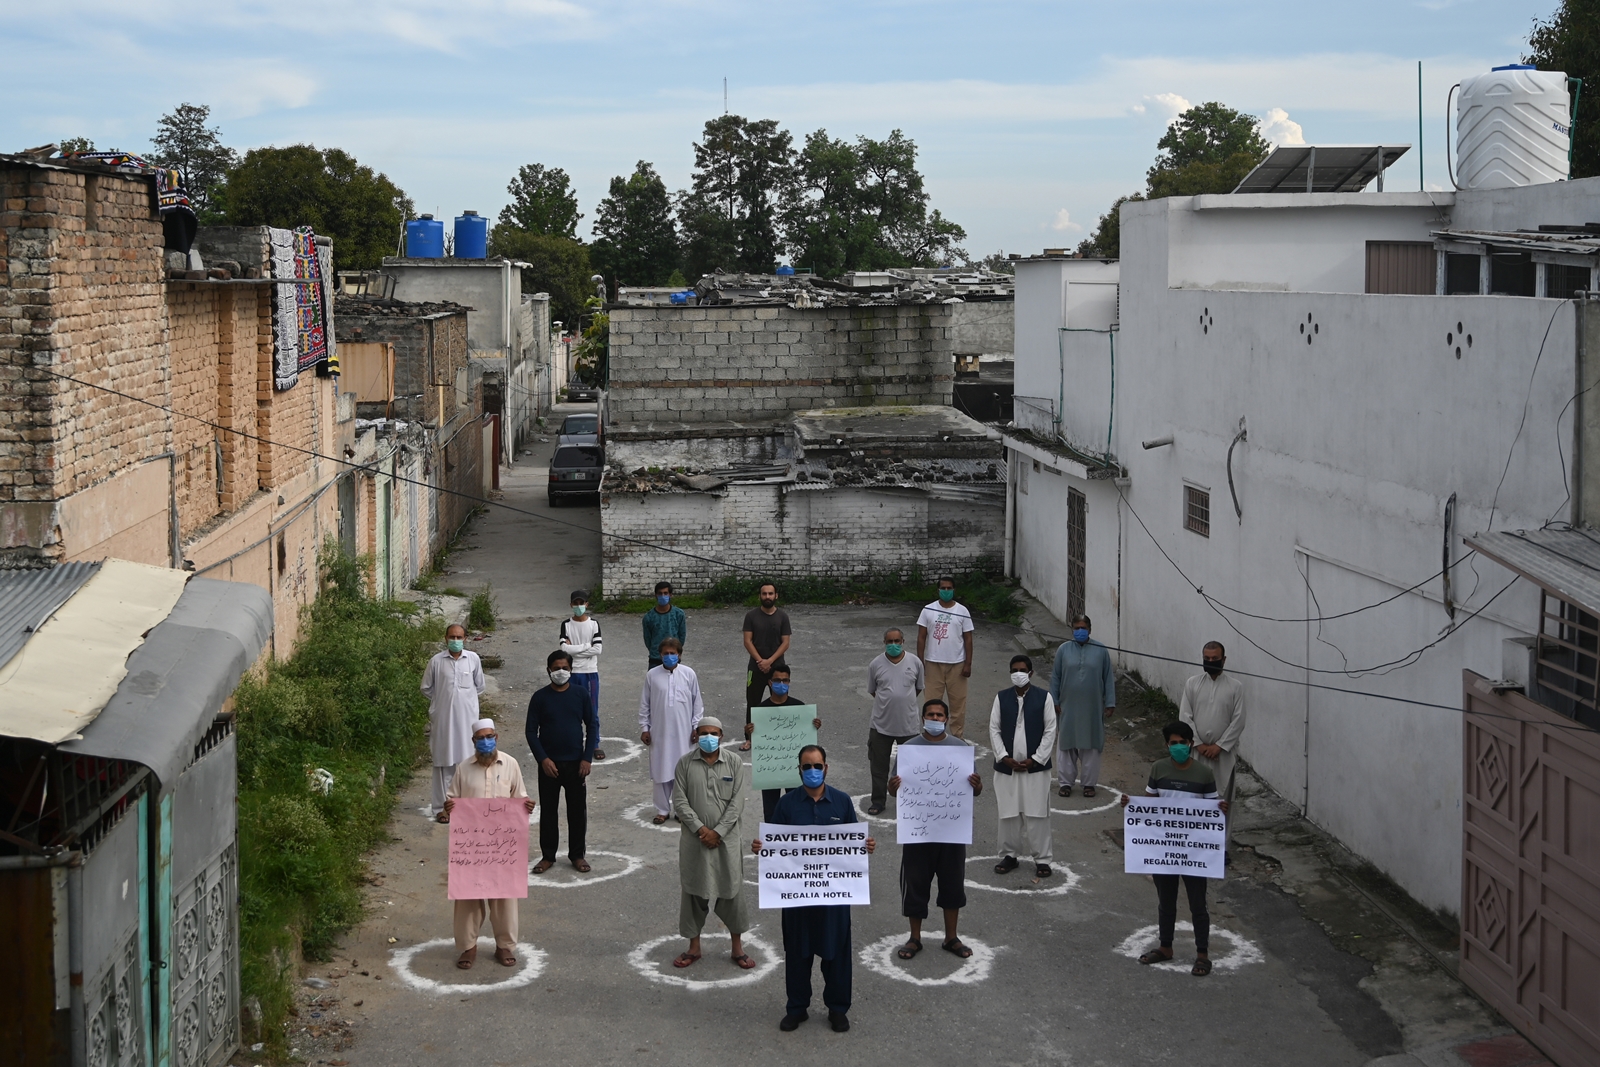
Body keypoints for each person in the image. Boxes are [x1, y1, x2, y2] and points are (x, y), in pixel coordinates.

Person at [752, 745, 877, 1033]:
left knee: (837, 955)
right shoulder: (787, 805)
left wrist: (865, 845)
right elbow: (775, 845)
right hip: (797, 899)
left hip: (834, 898)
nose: (812, 771)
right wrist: (762, 846)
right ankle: (797, 1008)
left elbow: (852, 845)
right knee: (797, 953)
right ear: (799, 770)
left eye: (817, 766)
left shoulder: (842, 803)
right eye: (806, 766)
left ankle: (837, 1009)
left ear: (826, 768)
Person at [1121, 721, 1229, 976]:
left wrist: (1220, 810)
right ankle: (1165, 947)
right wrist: (1132, 805)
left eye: (1183, 742)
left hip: (1194, 850)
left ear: (1191, 744)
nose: (1178, 747)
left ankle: (1202, 954)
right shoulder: (1158, 768)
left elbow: (1211, 810)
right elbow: (1151, 806)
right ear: (1167, 745)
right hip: (1164, 849)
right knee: (1165, 901)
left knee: (1197, 904)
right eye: (1173, 743)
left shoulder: (1204, 774)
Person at [890, 699, 983, 961]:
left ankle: (951, 937)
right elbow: (893, 790)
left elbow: (974, 791)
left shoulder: (959, 748)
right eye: (930, 714)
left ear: (946, 718)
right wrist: (893, 787)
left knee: (952, 884)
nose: (934, 718)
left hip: (951, 831)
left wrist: (976, 785)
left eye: (939, 714)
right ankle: (914, 937)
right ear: (922, 718)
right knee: (915, 883)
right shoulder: (909, 749)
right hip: (918, 831)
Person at [442, 719, 535, 969]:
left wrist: (526, 804)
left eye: (490, 736)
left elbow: (520, 797)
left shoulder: (510, 764)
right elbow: (451, 801)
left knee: (504, 898)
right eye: (481, 738)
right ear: (473, 742)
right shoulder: (463, 769)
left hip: (502, 846)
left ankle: (504, 946)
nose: (486, 741)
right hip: (471, 847)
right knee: (467, 898)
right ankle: (468, 948)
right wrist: (448, 807)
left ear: (497, 737)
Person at [671, 718, 755, 971]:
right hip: (694, 841)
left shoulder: (734, 762)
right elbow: (679, 801)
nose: (709, 737)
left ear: (722, 735)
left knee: (732, 891)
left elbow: (737, 803)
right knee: (693, 891)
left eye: (714, 733)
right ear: (696, 736)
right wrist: (701, 829)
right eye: (704, 733)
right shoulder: (685, 763)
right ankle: (693, 947)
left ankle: (737, 948)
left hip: (726, 841)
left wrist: (717, 832)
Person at [525, 650, 598, 874]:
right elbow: (530, 732)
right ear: (548, 670)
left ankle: (577, 855)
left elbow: (592, 725)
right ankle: (548, 856)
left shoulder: (580, 694)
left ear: (571, 670)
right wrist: (543, 759)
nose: (561, 672)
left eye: (565, 668)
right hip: (550, 766)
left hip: (576, 765)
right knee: (548, 811)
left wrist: (586, 758)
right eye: (556, 668)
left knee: (577, 812)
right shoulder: (540, 697)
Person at [989, 655, 1057, 878]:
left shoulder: (1044, 698)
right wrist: (1003, 756)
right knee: (1008, 812)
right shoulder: (1001, 698)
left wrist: (1036, 759)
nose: (1018, 673)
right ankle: (1010, 855)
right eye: (1014, 670)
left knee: (1038, 813)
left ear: (1031, 673)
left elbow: (1050, 731)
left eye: (1022, 669)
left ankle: (1042, 859)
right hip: (1007, 767)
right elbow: (994, 729)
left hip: (1035, 768)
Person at [1180, 640, 1246, 859]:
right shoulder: (1192, 683)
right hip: (1197, 752)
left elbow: (1238, 721)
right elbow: (1185, 716)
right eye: (1206, 659)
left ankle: (1221, 848)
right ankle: (1196, 844)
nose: (1210, 662)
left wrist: (1219, 746)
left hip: (1223, 755)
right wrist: (1198, 744)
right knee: (1195, 800)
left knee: (1223, 801)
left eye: (1214, 659)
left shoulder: (1235, 687)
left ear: (1223, 660)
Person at [421, 623, 485, 821]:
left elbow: (479, 686)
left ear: (465, 639)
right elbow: (426, 688)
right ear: (445, 638)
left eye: (459, 637)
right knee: (444, 762)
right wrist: (443, 702)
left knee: (467, 762)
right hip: (443, 720)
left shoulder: (473, 659)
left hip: (467, 720)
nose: (455, 641)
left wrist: (463, 703)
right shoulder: (436, 661)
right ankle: (442, 809)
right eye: (452, 637)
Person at [638, 637, 703, 824]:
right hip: (660, 731)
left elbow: (697, 703)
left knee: (683, 771)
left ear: (679, 655)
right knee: (660, 770)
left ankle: (681, 810)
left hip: (684, 732)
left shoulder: (689, 674)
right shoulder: (652, 675)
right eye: (665, 654)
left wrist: (695, 726)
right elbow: (645, 703)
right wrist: (645, 727)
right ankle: (662, 810)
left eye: (672, 654)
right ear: (660, 655)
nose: (669, 657)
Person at [1050, 614, 1115, 798]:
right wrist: (1054, 700)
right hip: (1067, 706)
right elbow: (1055, 677)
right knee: (1066, 745)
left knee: (1091, 745)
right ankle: (1065, 783)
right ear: (1072, 629)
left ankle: (1089, 784)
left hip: (1092, 707)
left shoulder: (1101, 650)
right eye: (1076, 628)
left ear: (1089, 629)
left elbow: (1108, 678)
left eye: (1083, 628)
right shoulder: (1063, 650)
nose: (1080, 631)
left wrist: (1110, 702)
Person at [745, 663, 822, 820]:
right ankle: (772, 842)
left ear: (789, 682)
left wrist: (814, 727)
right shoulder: (761, 710)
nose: (782, 684)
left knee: (798, 808)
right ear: (770, 682)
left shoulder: (800, 707)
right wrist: (750, 733)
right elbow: (757, 741)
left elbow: (807, 738)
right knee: (771, 811)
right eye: (777, 680)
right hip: (769, 771)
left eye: (785, 680)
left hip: (793, 770)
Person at [864, 628, 923, 816]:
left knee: (910, 768)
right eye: (890, 641)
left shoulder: (915, 662)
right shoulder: (875, 664)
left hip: (908, 726)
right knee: (878, 767)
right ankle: (878, 801)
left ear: (903, 641)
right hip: (881, 726)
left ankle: (910, 800)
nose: (894, 645)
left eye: (897, 641)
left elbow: (918, 688)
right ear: (884, 642)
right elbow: (873, 690)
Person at [916, 577, 974, 737]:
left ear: (954, 590)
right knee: (931, 704)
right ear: (938, 590)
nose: (946, 591)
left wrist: (968, 663)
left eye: (949, 588)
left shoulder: (962, 611)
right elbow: (921, 637)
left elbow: (968, 638)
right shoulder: (928, 609)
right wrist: (920, 662)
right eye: (943, 588)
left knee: (958, 705)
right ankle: (931, 735)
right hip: (933, 664)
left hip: (957, 664)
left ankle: (957, 737)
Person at [741, 581, 793, 750]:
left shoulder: (783, 617)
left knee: (780, 701)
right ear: (760, 596)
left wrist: (770, 661)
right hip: (755, 669)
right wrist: (760, 661)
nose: (767, 597)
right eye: (764, 594)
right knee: (752, 703)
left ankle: (781, 735)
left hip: (778, 670)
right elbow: (747, 641)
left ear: (776, 596)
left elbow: (785, 643)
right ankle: (750, 738)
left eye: (771, 594)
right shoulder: (751, 616)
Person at [559, 588, 606, 760]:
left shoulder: (594, 624)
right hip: (573, 673)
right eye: (575, 603)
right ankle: (573, 742)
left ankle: (595, 744)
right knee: (571, 709)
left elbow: (598, 649)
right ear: (571, 605)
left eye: (582, 603)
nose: (579, 606)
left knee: (592, 710)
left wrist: (575, 650)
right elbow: (564, 649)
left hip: (590, 672)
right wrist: (587, 646)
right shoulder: (566, 625)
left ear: (587, 604)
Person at [642, 580, 687, 670]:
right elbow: (648, 639)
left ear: (670, 595)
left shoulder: (679, 614)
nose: (663, 596)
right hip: (655, 659)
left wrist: (674, 652)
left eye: (665, 593)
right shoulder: (648, 617)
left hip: (674, 658)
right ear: (656, 595)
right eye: (660, 593)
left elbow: (682, 636)